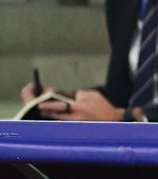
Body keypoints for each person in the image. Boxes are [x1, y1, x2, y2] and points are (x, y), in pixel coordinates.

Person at [21, 0, 158, 121]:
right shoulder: (123, 4)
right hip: (127, 142)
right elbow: (124, 92)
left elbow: (118, 115)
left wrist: (125, 117)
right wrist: (65, 101)